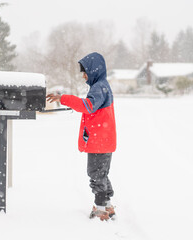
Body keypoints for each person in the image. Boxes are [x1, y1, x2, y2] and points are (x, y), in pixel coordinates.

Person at [46, 52, 117, 221]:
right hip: (104, 140)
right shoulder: (102, 85)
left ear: (94, 71)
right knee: (101, 174)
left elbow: (88, 106)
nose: (84, 75)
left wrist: (64, 98)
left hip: (100, 141)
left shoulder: (99, 87)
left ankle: (100, 210)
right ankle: (107, 205)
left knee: (95, 174)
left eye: (85, 72)